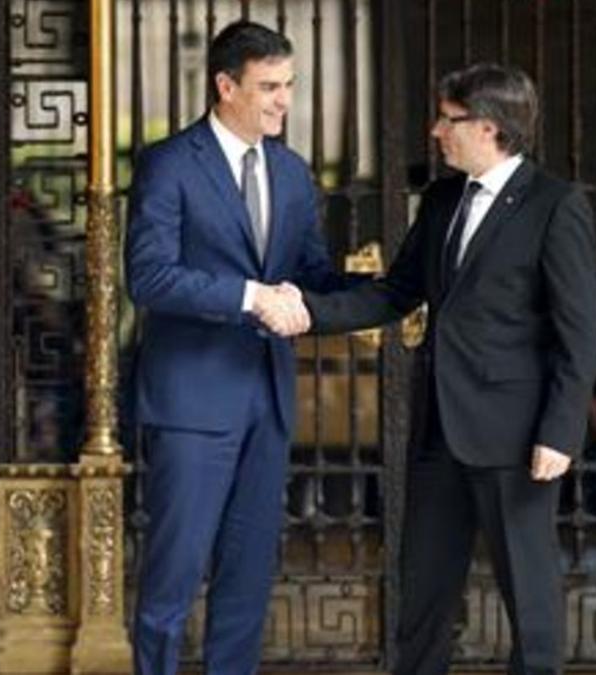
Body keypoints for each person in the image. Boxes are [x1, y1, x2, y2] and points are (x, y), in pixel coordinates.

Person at [286, 63, 596, 675]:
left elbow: (578, 331)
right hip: (439, 434)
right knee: (423, 595)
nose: (435, 131)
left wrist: (560, 433)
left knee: (529, 599)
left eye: (447, 120)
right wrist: (305, 312)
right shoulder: (440, 199)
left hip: (516, 437)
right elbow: (395, 292)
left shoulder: (555, 206)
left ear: (488, 127)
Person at [123, 20, 349, 675]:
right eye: (269, 86)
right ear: (226, 86)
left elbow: (310, 273)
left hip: (268, 398)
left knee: (248, 573)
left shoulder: (292, 171)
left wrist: (388, 285)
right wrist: (252, 296)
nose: (284, 100)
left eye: (289, 86)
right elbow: (150, 276)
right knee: (174, 571)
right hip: (192, 398)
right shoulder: (169, 164)